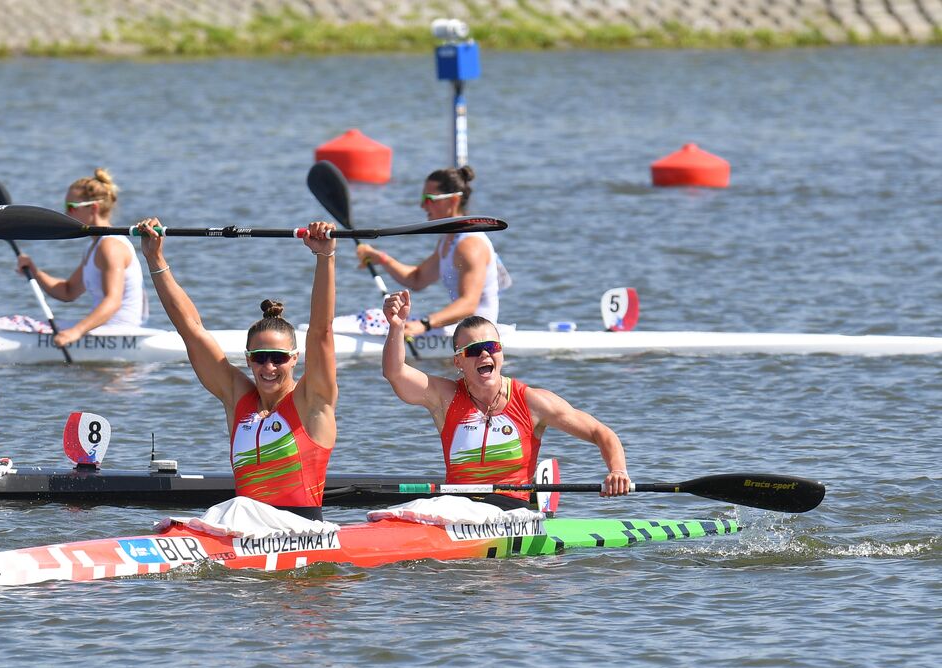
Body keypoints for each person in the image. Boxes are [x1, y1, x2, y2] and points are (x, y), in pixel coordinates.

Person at [135, 216, 339, 520]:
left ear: (295, 358)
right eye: (259, 357)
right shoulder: (238, 398)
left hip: (301, 531)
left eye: (278, 358)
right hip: (245, 528)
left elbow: (321, 331)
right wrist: (154, 258)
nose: (268, 366)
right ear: (248, 359)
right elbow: (192, 330)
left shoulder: (313, 401)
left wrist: (325, 257)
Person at [381, 289, 630, 509]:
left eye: (492, 347)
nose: (485, 355)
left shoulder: (531, 402)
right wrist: (396, 325)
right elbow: (395, 372)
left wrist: (618, 471)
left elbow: (601, 433)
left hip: (510, 509)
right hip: (455, 506)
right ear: (458, 362)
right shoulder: (443, 397)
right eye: (475, 351)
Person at [353, 164, 507, 338]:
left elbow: (468, 304)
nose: (422, 205)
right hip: (463, 330)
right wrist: (382, 258)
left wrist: (424, 324)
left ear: (453, 201)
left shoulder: (470, 244)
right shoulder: (448, 240)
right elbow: (417, 279)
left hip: (480, 338)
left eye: (428, 199)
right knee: (376, 318)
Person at [15, 168, 148, 348]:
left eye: (71, 207)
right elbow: (68, 292)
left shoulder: (110, 247)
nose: (66, 214)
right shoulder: (93, 246)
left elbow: (113, 301)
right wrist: (35, 272)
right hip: (103, 330)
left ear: (93, 208)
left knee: (18, 323)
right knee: (19, 322)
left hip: (119, 335)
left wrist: (76, 332)